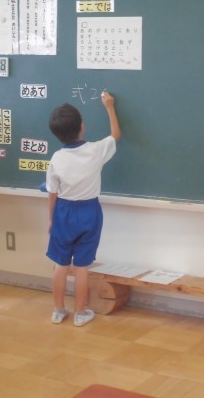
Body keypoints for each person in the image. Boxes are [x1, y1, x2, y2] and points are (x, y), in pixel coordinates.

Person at [45, 91, 121, 327]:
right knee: (81, 267)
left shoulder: (57, 158)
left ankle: (58, 311)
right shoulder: (95, 150)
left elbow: (52, 193)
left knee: (60, 265)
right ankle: (80, 313)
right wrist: (110, 107)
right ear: (81, 126)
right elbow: (115, 135)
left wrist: (51, 219)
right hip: (89, 212)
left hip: (63, 211)